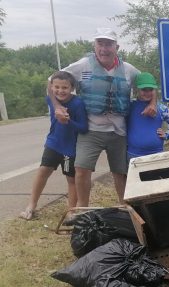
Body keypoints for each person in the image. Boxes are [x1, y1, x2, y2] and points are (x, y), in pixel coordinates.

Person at [49, 27, 156, 209]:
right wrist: (57, 106)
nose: (104, 48)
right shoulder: (83, 65)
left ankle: (125, 206)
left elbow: (151, 84)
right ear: (95, 45)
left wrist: (153, 103)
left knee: (120, 172)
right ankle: (83, 209)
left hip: (119, 130)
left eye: (108, 44)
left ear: (117, 47)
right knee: (81, 169)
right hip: (91, 130)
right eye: (100, 43)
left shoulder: (129, 70)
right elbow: (51, 80)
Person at [20, 71, 88, 220]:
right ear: (52, 87)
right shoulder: (51, 99)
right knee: (43, 171)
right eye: (56, 87)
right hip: (53, 143)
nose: (60, 91)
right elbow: (50, 92)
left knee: (71, 179)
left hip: (69, 149)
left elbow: (84, 128)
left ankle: (71, 211)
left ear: (72, 88)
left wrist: (68, 121)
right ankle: (31, 205)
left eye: (64, 87)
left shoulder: (77, 103)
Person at [126, 72, 169, 163]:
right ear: (137, 90)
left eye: (150, 89)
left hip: (156, 155)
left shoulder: (161, 108)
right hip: (133, 155)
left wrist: (167, 134)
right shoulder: (130, 106)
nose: (147, 93)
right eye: (144, 89)